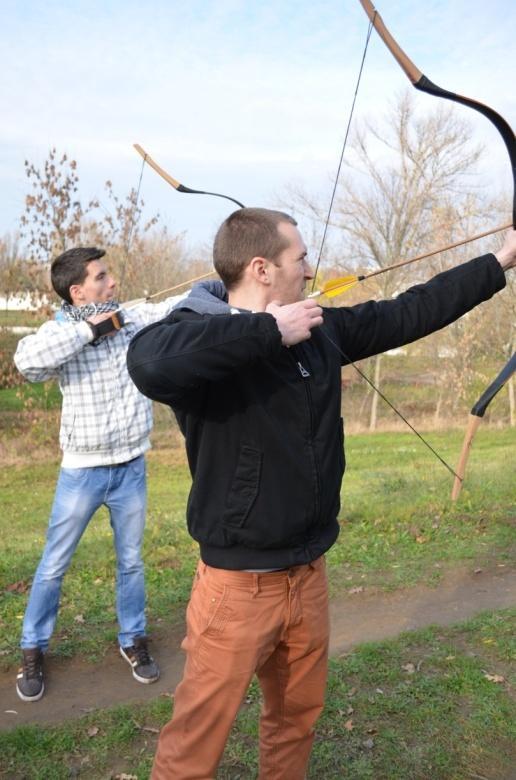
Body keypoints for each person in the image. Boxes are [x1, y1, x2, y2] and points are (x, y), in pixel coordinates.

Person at [127, 209, 516, 779]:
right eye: (300, 258)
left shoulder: (320, 330)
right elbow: (148, 360)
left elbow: (407, 311)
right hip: (239, 588)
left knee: (295, 722)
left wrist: (500, 260)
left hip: (308, 575)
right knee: (195, 742)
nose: (310, 270)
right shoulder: (198, 336)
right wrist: (267, 331)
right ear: (261, 268)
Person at [14, 246, 187, 703]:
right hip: (82, 472)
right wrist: (90, 331)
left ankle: (133, 638)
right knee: (54, 564)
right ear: (78, 291)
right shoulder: (60, 331)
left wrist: (218, 288)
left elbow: (173, 308)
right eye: (102, 277)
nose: (112, 283)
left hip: (131, 467)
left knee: (131, 561)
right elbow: (27, 361)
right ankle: (33, 648)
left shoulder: (129, 316)